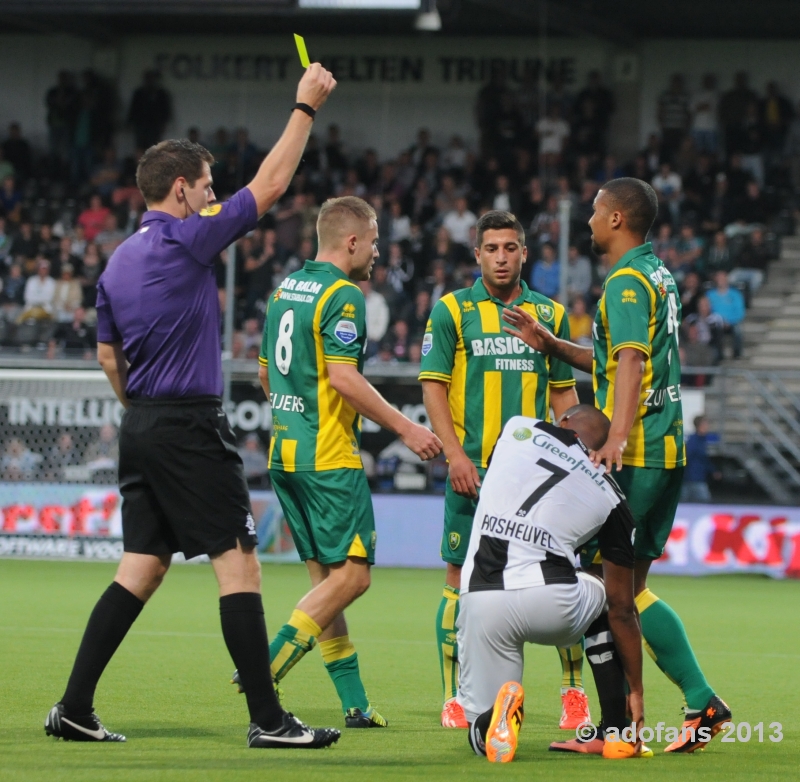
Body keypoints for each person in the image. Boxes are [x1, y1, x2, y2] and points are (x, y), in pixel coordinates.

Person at [45, 62, 342, 749]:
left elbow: (106, 359)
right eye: (208, 187)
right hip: (186, 423)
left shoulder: (116, 260)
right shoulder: (187, 236)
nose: (215, 197)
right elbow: (269, 187)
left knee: (140, 568)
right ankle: (269, 721)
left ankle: (73, 707)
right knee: (240, 563)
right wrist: (305, 108)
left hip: (141, 423)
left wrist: (143, 411)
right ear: (182, 190)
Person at [502, 177, 731, 754]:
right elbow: (613, 357)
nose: (588, 221)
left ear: (617, 220)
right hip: (666, 450)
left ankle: (618, 727)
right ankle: (700, 702)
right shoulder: (657, 274)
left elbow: (629, 364)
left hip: (639, 453)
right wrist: (553, 344)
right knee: (629, 592)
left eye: (597, 211)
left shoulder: (627, 282)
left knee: (605, 591)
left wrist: (617, 439)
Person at [255, 196, 441, 727]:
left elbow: (267, 375)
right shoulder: (345, 295)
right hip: (329, 458)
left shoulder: (285, 290)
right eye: (376, 241)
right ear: (353, 241)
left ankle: (356, 706)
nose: (378, 252)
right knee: (354, 578)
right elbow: (343, 378)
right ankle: (262, 671)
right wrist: (406, 427)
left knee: (327, 586)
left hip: (285, 455)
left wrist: (295, 414)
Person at [419, 210, 588, 732]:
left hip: (537, 481)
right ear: (477, 254)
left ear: (523, 253)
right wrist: (454, 455)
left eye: (510, 248)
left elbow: (564, 393)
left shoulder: (550, 314)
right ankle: (452, 697)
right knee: (458, 580)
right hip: (474, 470)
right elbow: (434, 387)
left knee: (560, 576)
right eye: (491, 248)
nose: (501, 257)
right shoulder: (452, 311)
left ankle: (573, 693)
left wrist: (574, 455)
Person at [460, 407, 649, 763]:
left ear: (562, 421)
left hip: (483, 599)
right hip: (553, 602)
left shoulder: (517, 428)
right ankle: (616, 731)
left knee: (479, 734)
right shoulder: (613, 497)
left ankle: (494, 718)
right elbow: (623, 608)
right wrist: (636, 689)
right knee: (604, 597)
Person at [707, 270, 745, 359]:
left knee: (738, 330)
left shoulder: (735, 294)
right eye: (719, 278)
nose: (721, 280)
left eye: (723, 278)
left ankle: (737, 354)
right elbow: (707, 310)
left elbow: (740, 312)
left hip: (732, 322)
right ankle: (718, 355)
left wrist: (729, 321)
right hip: (716, 322)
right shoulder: (709, 295)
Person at [681, 415, 720, 502]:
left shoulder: (701, 440)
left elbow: (703, 459)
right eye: (705, 424)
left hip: (695, 477)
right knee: (704, 501)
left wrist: (713, 471)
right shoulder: (694, 441)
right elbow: (690, 457)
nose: (707, 426)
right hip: (693, 478)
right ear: (700, 426)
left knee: (685, 502)